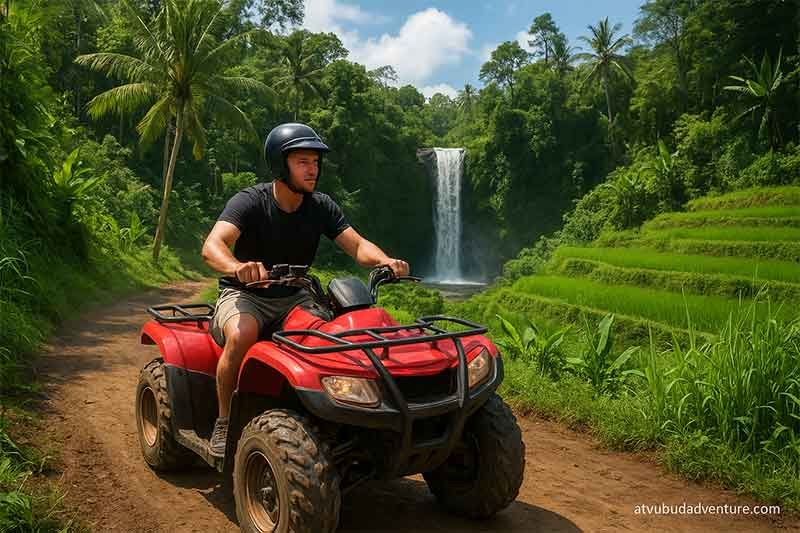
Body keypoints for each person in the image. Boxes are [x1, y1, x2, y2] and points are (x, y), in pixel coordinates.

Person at [201, 122, 410, 457]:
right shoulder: (250, 201)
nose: (313, 170)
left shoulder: (320, 206)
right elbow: (213, 245)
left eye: (315, 162)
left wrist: (385, 261)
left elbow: (356, 246)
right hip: (245, 295)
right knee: (242, 335)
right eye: (303, 162)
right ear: (280, 165)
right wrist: (236, 267)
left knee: (328, 339)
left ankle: (333, 415)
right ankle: (225, 421)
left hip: (295, 296)